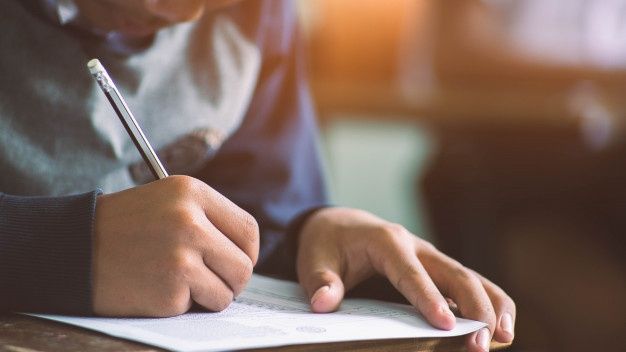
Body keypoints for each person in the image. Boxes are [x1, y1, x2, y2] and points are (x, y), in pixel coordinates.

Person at [0, 1, 515, 351]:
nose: (189, 12)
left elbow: (262, 212)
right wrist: (63, 247)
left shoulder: (255, 12)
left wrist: (310, 238)